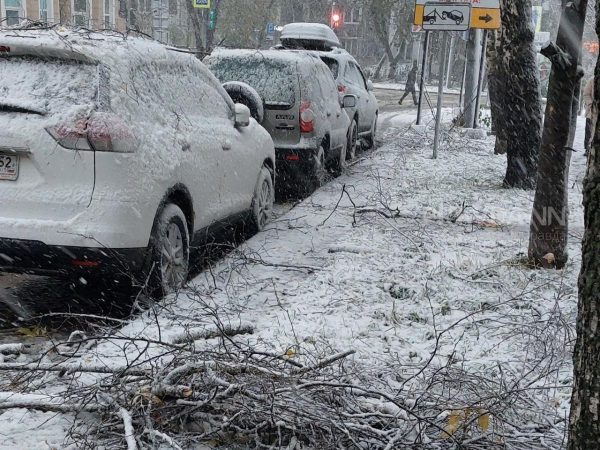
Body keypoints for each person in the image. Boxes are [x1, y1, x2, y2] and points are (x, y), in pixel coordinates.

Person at [583, 76, 595, 156]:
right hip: (592, 112)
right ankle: (587, 149)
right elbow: (586, 94)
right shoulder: (592, 80)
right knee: (589, 132)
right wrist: (591, 104)